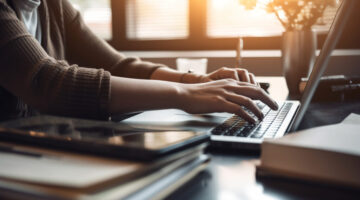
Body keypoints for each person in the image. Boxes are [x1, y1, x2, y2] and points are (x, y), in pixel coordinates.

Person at [0, 0, 278, 123]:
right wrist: (186, 95)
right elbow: (46, 82)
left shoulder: (53, 5)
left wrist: (197, 81)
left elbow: (118, 66)